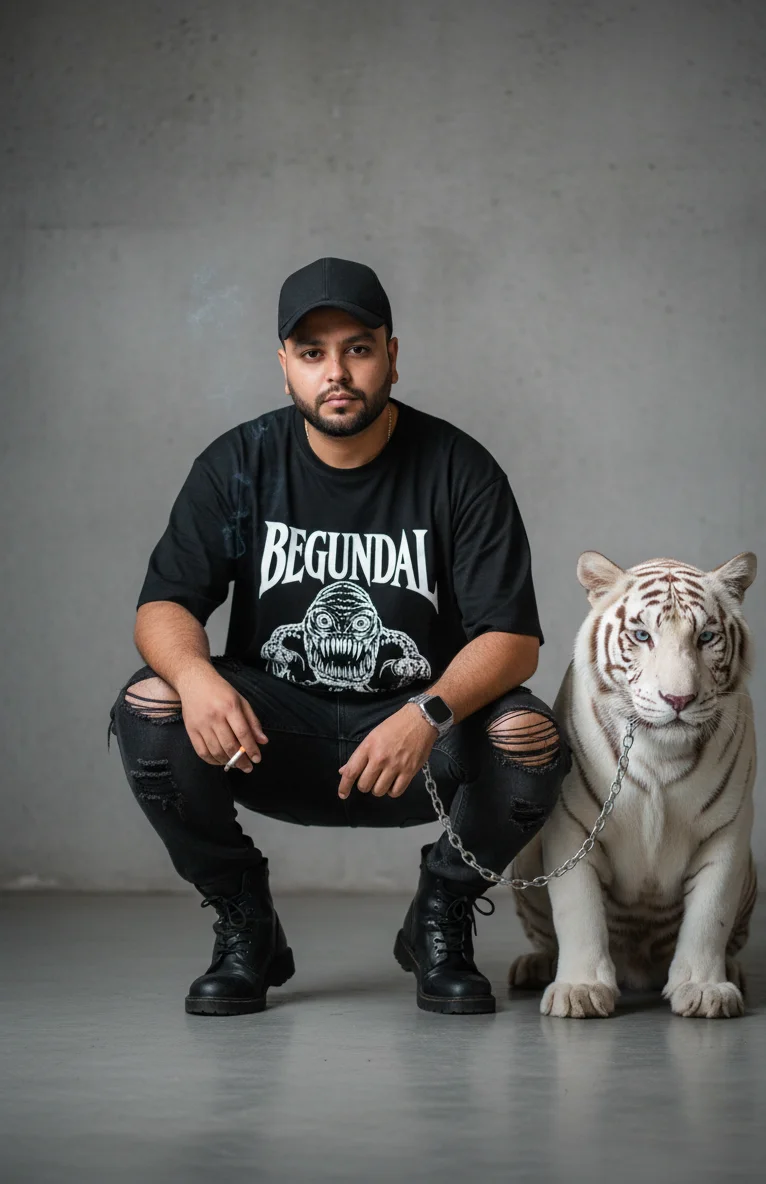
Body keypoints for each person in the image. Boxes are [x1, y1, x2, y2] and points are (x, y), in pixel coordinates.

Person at [108, 256, 570, 1018]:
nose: (337, 372)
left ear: (393, 354)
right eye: (313, 353)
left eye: (357, 348)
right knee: (151, 702)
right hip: (273, 736)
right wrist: (197, 680)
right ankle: (244, 919)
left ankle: (440, 913)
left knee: (528, 735)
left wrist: (427, 713)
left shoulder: (460, 469)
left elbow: (514, 641)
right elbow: (162, 606)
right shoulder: (239, 465)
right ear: (283, 365)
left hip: (421, 744)